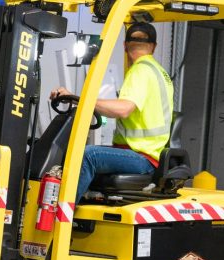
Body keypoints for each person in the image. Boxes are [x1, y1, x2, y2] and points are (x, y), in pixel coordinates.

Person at [52, 22, 174, 202]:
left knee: (88, 155)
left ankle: (62, 217)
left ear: (125, 45)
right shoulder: (159, 72)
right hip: (147, 154)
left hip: (142, 157)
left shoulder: (140, 71)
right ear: (153, 47)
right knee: (81, 151)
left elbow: (124, 109)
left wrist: (82, 99)